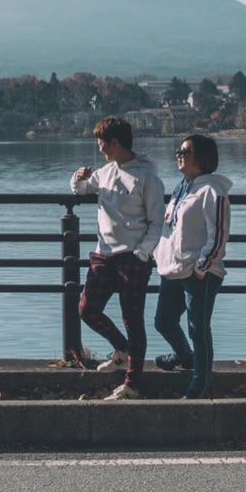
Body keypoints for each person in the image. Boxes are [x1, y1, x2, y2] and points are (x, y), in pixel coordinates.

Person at [69, 116, 166, 400]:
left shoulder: (147, 177)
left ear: (114, 142)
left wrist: (142, 254)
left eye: (101, 142)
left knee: (133, 320)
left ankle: (132, 384)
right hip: (103, 255)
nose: (98, 148)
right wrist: (78, 177)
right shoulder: (106, 171)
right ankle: (122, 350)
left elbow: (157, 222)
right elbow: (81, 189)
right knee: (87, 309)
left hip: (132, 258)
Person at [151, 134, 233, 399]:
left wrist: (202, 267)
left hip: (200, 273)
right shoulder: (182, 189)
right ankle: (185, 356)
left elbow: (218, 233)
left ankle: (199, 386)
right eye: (179, 150)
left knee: (198, 328)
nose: (178, 154)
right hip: (173, 269)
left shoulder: (213, 191)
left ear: (201, 157)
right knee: (163, 321)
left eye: (184, 151)